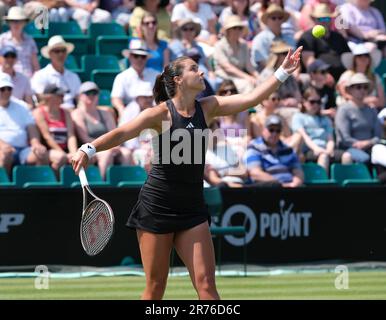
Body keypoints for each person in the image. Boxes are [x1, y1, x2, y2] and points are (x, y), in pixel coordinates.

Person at [71, 47, 302, 299]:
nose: (201, 71)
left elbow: (252, 99)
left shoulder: (209, 107)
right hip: (157, 207)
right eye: (193, 68)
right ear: (178, 80)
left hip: (192, 208)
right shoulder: (158, 114)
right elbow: (122, 133)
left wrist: (282, 71)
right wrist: (89, 148)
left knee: (206, 285)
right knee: (156, 288)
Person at [72, 81, 131, 179]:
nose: (91, 96)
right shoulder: (77, 114)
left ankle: (124, 183)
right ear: (80, 96)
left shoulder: (106, 112)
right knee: (106, 154)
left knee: (127, 153)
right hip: (90, 147)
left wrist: (114, 146)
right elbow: (84, 138)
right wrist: (106, 147)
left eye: (94, 93)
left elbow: (114, 133)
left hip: (108, 146)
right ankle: (103, 185)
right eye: (88, 93)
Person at [0, 73, 48, 175]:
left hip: (23, 150)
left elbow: (31, 127)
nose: (6, 92)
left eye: (9, 88)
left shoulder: (22, 106)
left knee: (41, 154)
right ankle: (5, 188)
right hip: (3, 150)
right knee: (5, 155)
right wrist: (3, 145)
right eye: (2, 89)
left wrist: (36, 143)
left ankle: (38, 188)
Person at [291, 87, 348, 172]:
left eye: (318, 102)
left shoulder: (325, 119)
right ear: (304, 102)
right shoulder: (298, 117)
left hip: (326, 149)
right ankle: (323, 183)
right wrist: (316, 148)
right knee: (323, 156)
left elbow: (330, 139)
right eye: (312, 102)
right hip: (310, 150)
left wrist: (329, 150)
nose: (316, 105)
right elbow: (305, 137)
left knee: (347, 156)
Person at [245, 114, 304, 187]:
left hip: (290, 187)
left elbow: (297, 170)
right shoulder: (254, 146)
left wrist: (296, 183)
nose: (274, 133)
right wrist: (280, 184)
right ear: (263, 130)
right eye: (271, 130)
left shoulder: (287, 149)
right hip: (267, 189)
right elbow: (255, 173)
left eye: (278, 131)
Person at [335, 73, 382, 164]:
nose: (362, 90)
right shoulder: (344, 110)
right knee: (364, 157)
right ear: (350, 90)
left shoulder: (372, 110)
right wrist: (359, 144)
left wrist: (367, 143)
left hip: (372, 148)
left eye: (365, 87)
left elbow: (377, 136)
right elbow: (344, 138)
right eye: (358, 87)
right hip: (349, 149)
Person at [32, 83, 78, 175]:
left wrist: (73, 153)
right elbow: (47, 136)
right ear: (49, 97)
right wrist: (63, 154)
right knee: (61, 157)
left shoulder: (66, 112)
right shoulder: (38, 112)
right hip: (48, 151)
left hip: (65, 150)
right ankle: (53, 183)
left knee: (80, 157)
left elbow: (71, 135)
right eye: (60, 95)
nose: (63, 98)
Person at [31, 36, 81, 109]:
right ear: (50, 54)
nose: (61, 54)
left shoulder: (73, 76)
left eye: (63, 51)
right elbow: (39, 97)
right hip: (51, 113)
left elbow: (79, 99)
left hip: (72, 114)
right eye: (57, 51)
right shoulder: (40, 75)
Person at [213, 15, 259, 94]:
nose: (237, 30)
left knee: (261, 82)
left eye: (240, 28)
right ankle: (255, 106)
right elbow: (227, 68)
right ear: (228, 30)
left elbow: (249, 65)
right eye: (234, 28)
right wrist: (247, 77)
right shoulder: (219, 46)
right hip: (225, 77)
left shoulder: (244, 45)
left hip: (240, 76)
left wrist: (258, 76)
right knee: (247, 85)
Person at [112, 38, 158, 116]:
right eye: (136, 56)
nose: (139, 59)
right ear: (130, 56)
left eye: (143, 56)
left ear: (146, 58)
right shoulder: (122, 77)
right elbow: (116, 98)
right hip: (132, 115)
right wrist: (122, 111)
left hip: (154, 113)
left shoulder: (156, 75)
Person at [337, 43, 385, 110]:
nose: (363, 58)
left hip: (371, 111)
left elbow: (382, 101)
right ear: (354, 59)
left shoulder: (375, 77)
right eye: (359, 56)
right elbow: (344, 94)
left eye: (366, 55)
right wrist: (366, 101)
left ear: (369, 59)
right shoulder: (347, 75)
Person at [0, 6, 40, 78]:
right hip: (7, 82)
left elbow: (36, 66)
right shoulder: (2, 39)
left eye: (19, 21)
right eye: (13, 21)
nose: (16, 24)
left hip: (28, 81)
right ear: (9, 23)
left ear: (24, 23)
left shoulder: (30, 41)